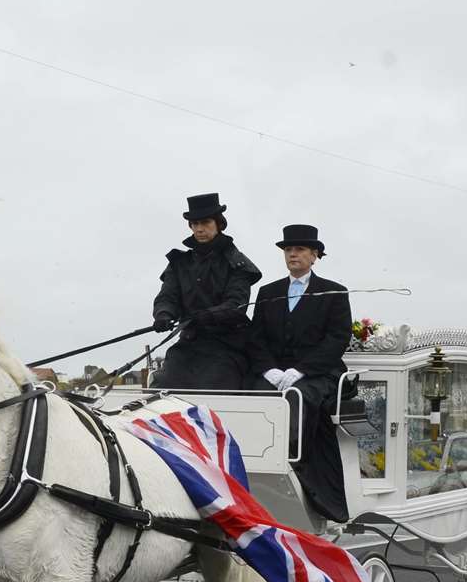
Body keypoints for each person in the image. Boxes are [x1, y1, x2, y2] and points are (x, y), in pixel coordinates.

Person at [247, 224, 352, 522]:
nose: (293, 254)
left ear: (314, 255)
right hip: (274, 372)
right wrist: (268, 370)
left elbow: (337, 339)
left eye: (300, 250)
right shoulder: (268, 292)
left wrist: (300, 370)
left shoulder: (334, 292)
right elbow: (256, 338)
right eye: (288, 250)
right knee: (249, 394)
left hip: (317, 373)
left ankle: (293, 470)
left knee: (298, 399)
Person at [149, 193, 262, 391]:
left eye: (205, 222)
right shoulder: (178, 263)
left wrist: (208, 315)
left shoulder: (238, 263)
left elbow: (236, 304)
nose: (199, 229)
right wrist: (163, 314)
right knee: (162, 386)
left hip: (228, 346)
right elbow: (167, 296)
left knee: (212, 387)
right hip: (189, 344)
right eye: (194, 223)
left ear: (218, 223)